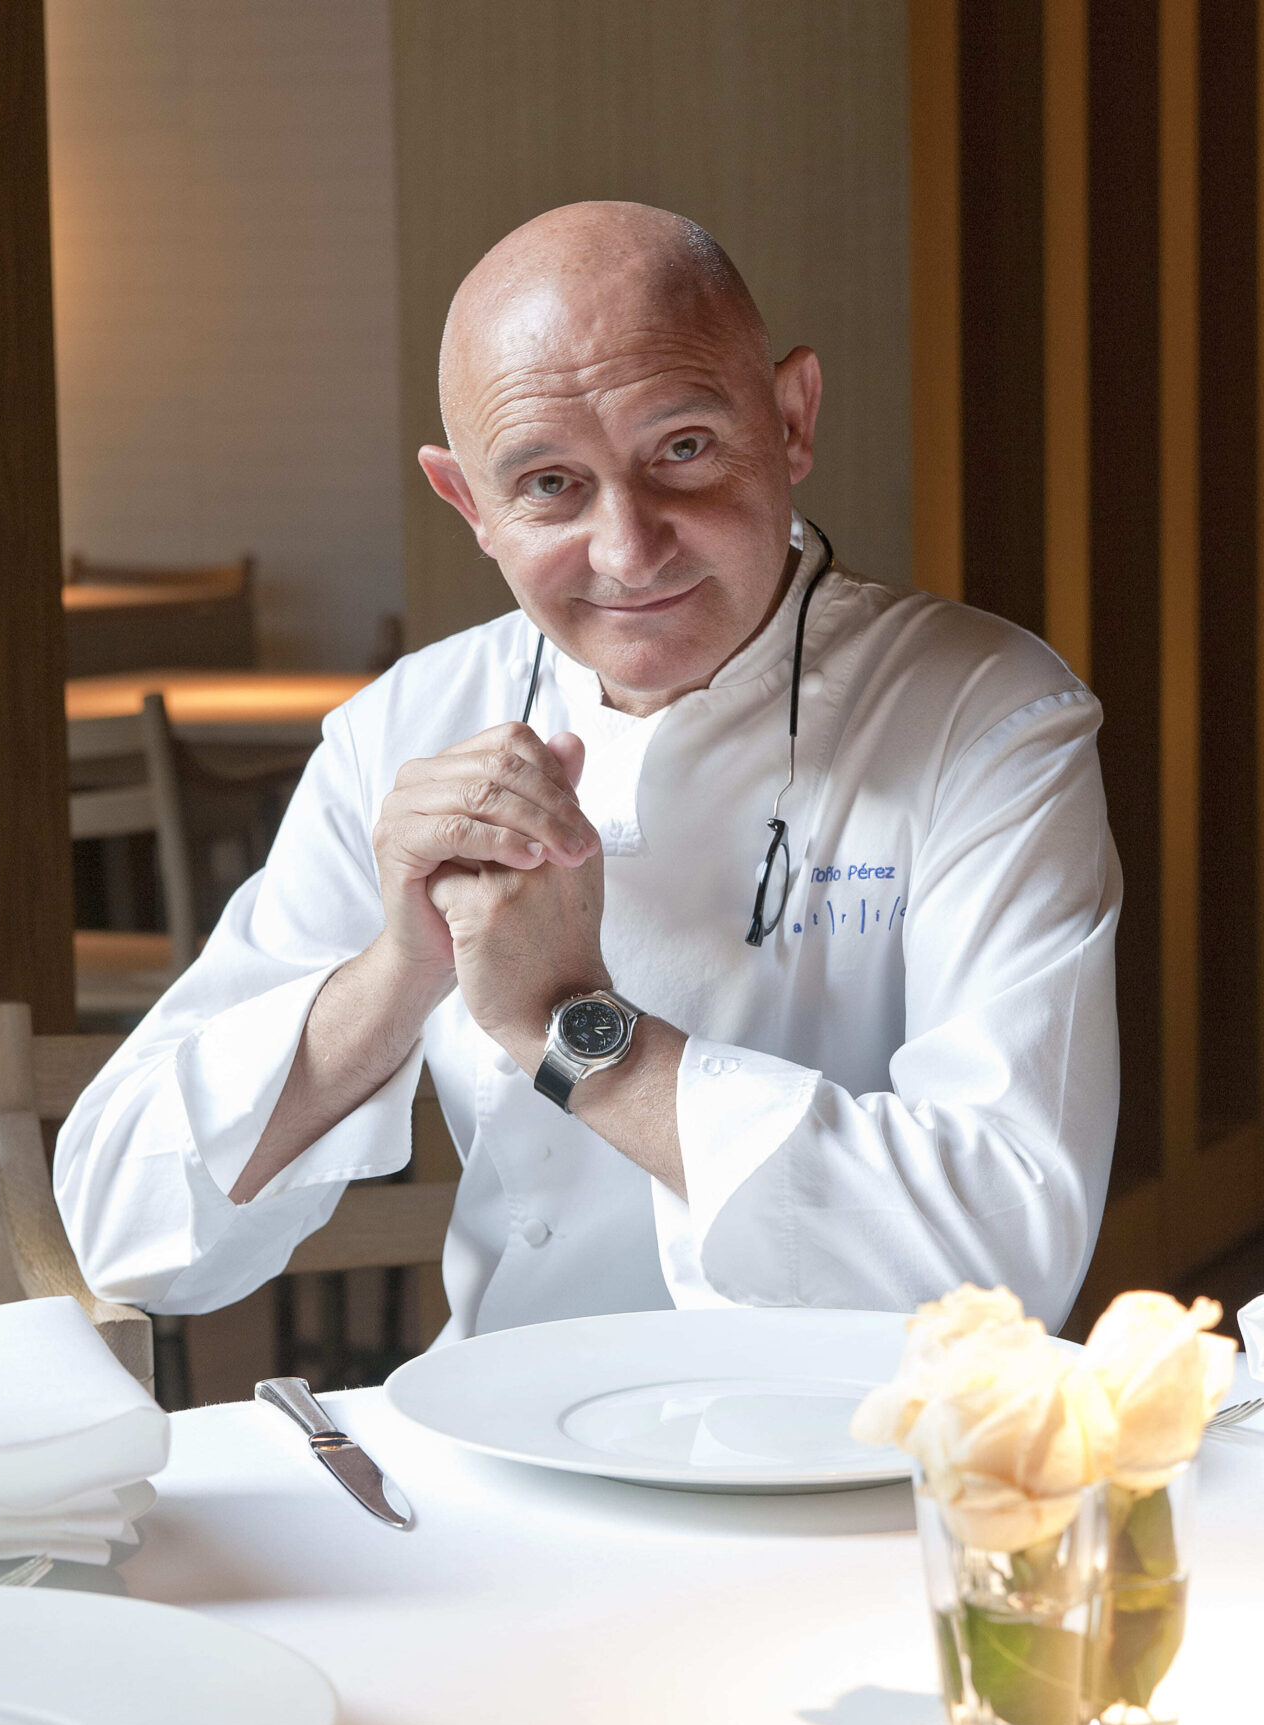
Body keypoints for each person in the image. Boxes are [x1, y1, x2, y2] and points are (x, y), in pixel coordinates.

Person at [55, 201, 1120, 1340]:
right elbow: (123, 1230)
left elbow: (1003, 1266)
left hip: (848, 1432)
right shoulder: (406, 728)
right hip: (498, 1413)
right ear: (469, 503)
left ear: (790, 420)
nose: (629, 551)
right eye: (550, 484)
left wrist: (568, 1028)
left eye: (683, 449)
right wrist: (401, 970)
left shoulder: (986, 716)